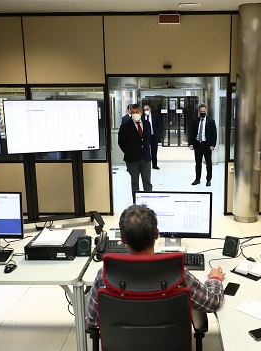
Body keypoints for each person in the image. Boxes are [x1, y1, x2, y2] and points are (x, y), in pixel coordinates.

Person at [86, 204, 225, 327]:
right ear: (157, 235)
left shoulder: (105, 275)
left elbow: (92, 320)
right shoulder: (177, 273)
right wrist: (215, 280)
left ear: (122, 239)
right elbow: (213, 302)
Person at [118, 104, 152, 194]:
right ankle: (136, 205)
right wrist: (129, 152)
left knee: (147, 183)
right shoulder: (125, 126)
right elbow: (121, 142)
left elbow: (148, 139)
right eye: (133, 112)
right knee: (135, 183)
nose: (135, 114)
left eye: (137, 112)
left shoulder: (147, 124)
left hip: (146, 158)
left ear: (141, 112)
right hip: (132, 159)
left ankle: (148, 203)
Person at [189, 104, 217, 186]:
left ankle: (208, 180)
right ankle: (197, 179)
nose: (203, 113)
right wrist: (191, 143)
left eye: (204, 111)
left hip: (207, 145)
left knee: (208, 163)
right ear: (198, 111)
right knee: (198, 163)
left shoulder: (211, 121)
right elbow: (192, 133)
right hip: (198, 144)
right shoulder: (195, 121)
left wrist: (213, 145)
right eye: (201, 112)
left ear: (206, 111)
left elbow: (214, 134)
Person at [142, 104, 161, 170]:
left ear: (150, 109)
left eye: (147, 109)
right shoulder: (142, 117)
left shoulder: (155, 116)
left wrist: (157, 133)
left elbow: (159, 125)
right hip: (145, 137)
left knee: (154, 151)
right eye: (144, 110)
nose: (146, 111)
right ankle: (145, 164)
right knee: (145, 150)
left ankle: (154, 164)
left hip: (153, 136)